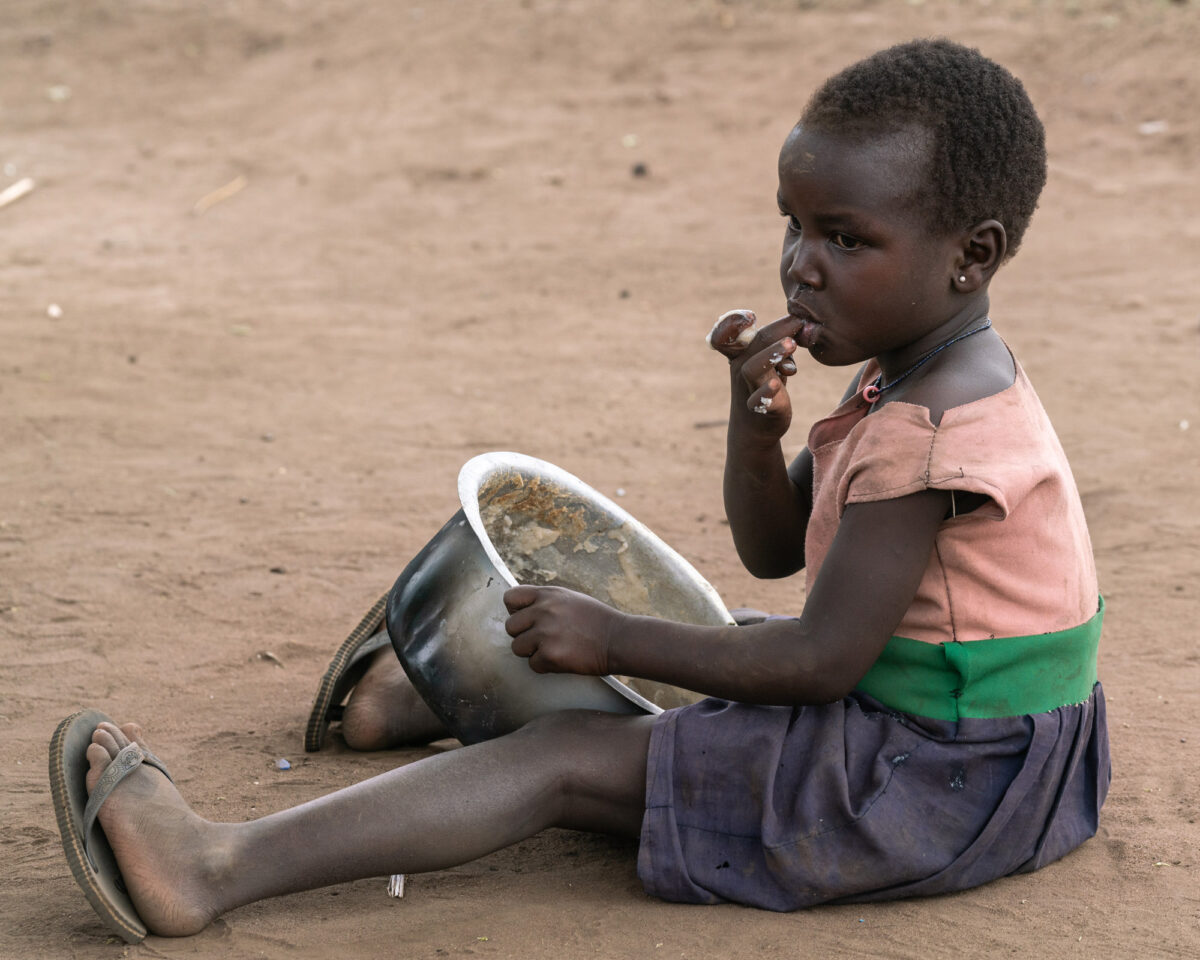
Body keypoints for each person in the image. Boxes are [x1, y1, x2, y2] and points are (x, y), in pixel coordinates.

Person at [50, 38, 1108, 942]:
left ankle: (209, 868)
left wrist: (609, 640)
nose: (801, 266)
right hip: (947, 738)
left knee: (565, 754)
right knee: (701, 627)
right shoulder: (918, 374)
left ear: (972, 256)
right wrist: (754, 424)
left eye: (846, 239)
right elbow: (775, 552)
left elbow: (820, 662)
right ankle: (430, 687)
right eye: (794, 224)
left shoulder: (928, 437)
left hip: (926, 785)